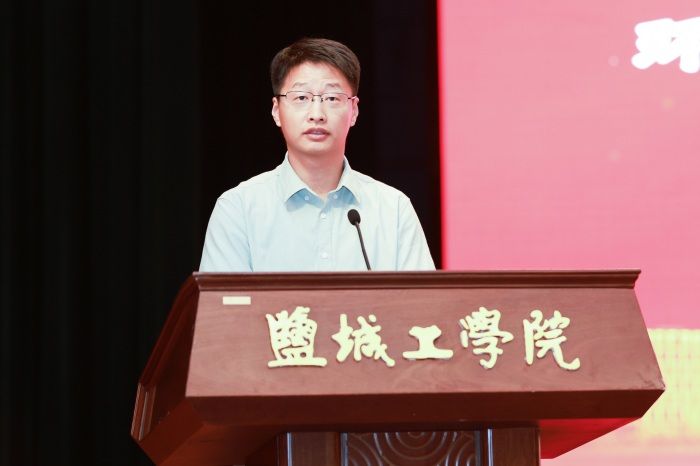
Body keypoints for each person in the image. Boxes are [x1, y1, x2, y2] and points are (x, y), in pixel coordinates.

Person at [199, 38, 434, 272]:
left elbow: (422, 297)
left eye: (332, 98)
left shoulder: (393, 209)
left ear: (353, 111)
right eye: (301, 98)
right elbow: (222, 297)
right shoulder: (238, 209)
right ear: (276, 111)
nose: (317, 114)